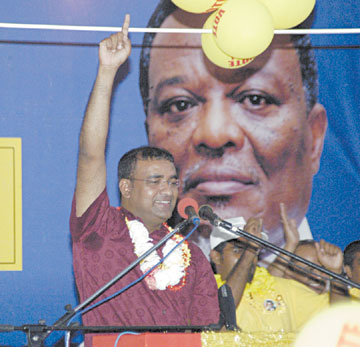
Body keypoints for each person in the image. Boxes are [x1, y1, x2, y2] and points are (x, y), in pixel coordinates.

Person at [70, 14, 219, 343]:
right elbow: (91, 154)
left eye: (172, 181)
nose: (167, 190)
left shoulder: (192, 255)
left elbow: (207, 334)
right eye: (155, 181)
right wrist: (108, 71)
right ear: (125, 187)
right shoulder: (100, 229)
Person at [139, 0, 328, 261]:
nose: (214, 135)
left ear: (315, 138)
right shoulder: (142, 281)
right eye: (180, 104)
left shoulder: (337, 291)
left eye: (255, 99)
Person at [209, 215, 346, 334]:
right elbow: (223, 311)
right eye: (239, 250)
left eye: (255, 251)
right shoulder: (204, 292)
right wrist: (250, 251)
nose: (251, 258)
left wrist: (336, 274)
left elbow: (338, 316)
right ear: (216, 256)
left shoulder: (280, 287)